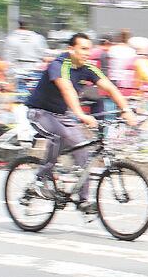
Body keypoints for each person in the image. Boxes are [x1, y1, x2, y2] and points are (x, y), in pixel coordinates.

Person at [24, 33, 137, 213]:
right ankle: (40, 179)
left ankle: (84, 201)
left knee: (83, 149)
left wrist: (126, 110)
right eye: (83, 48)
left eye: (89, 49)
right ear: (71, 49)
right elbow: (67, 89)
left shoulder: (88, 68)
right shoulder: (59, 65)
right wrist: (81, 115)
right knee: (60, 136)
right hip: (40, 113)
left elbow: (109, 87)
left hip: (62, 115)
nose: (87, 52)